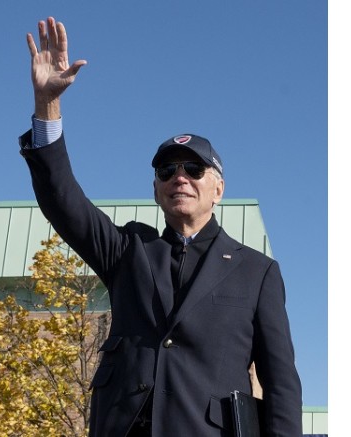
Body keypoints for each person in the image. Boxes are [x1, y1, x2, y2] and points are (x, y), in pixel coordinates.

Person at [18, 17, 302, 436]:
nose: (179, 177)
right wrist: (48, 106)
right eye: (167, 170)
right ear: (156, 189)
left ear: (218, 188)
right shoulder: (128, 250)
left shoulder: (256, 272)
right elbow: (64, 203)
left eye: (194, 168)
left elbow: (280, 383)